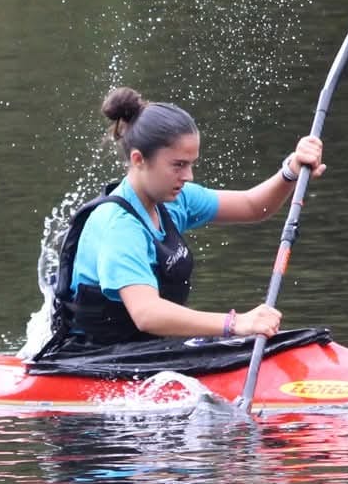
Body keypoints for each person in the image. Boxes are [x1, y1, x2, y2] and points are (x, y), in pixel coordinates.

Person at [46, 87, 325, 349]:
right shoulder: (119, 225)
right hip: (93, 361)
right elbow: (147, 314)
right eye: (178, 165)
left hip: (143, 353)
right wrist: (236, 323)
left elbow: (253, 207)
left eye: (191, 164)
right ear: (139, 159)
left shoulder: (175, 199)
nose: (188, 176)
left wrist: (291, 170)